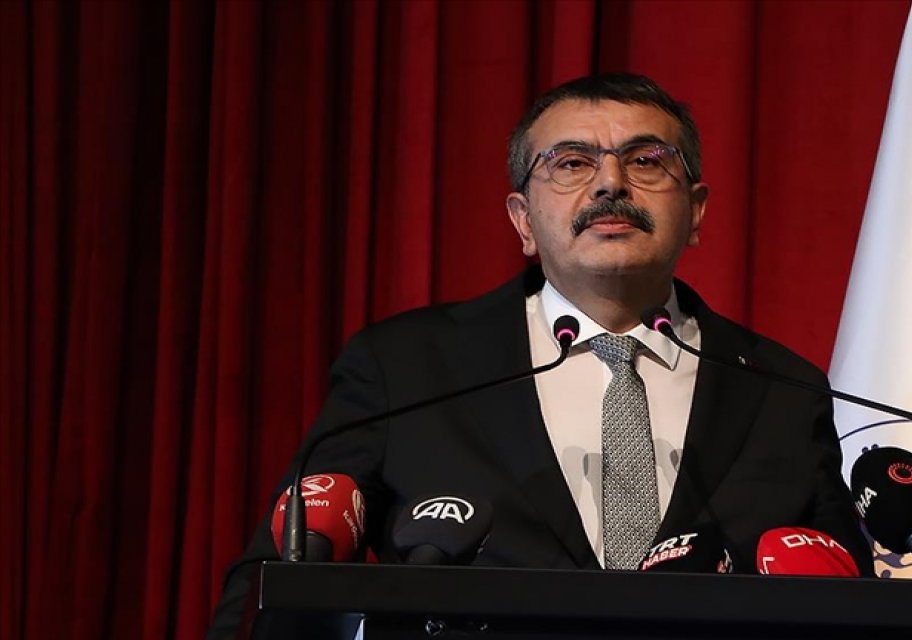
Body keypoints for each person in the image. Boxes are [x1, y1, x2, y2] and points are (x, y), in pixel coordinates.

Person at [206, 72, 871, 638]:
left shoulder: (783, 388)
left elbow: (850, 598)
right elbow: (279, 576)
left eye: (646, 160)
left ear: (695, 212)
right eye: (572, 163)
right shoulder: (407, 367)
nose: (610, 184)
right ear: (523, 219)